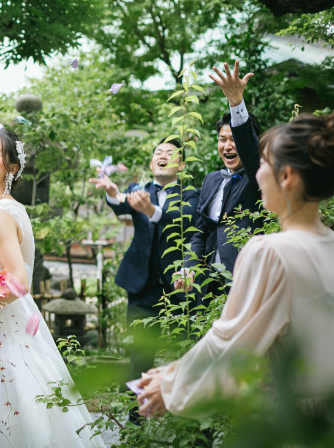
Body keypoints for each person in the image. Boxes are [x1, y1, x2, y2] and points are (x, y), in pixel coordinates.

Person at [135, 111, 334, 419]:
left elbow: (228, 342)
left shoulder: (269, 251)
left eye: (264, 164)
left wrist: (170, 383)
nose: (258, 173)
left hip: (284, 416)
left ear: (286, 176)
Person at [0, 127, 104, 447]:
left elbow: (17, 282)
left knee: (3, 420)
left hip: (3, 337)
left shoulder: (0, 212)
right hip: (4, 331)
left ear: (12, 168)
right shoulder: (5, 209)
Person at [90, 138, 199, 420]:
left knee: (181, 354)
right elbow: (121, 206)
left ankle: (182, 421)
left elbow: (184, 218)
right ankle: (134, 423)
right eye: (158, 153)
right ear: (152, 164)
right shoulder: (138, 190)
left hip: (178, 289)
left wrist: (152, 211)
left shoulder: (191, 194)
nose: (163, 156)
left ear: (181, 165)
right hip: (140, 286)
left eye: (170, 153)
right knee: (139, 357)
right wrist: (114, 193)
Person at [180, 62, 262, 298]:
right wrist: (189, 267)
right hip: (207, 286)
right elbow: (201, 230)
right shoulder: (211, 180)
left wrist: (236, 102)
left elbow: (250, 150)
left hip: (245, 281)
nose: (227, 146)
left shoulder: (258, 174)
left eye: (233, 139)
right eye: (222, 139)